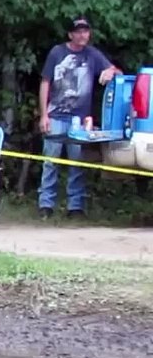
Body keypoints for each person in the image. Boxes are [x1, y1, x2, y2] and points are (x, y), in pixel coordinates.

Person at [37, 16, 121, 220]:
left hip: (80, 119)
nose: (83, 35)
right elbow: (45, 82)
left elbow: (117, 71)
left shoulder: (93, 54)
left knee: (78, 163)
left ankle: (75, 207)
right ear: (70, 34)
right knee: (50, 161)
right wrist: (43, 115)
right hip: (55, 115)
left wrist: (111, 72)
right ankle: (46, 205)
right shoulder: (57, 52)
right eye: (78, 31)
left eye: (86, 31)